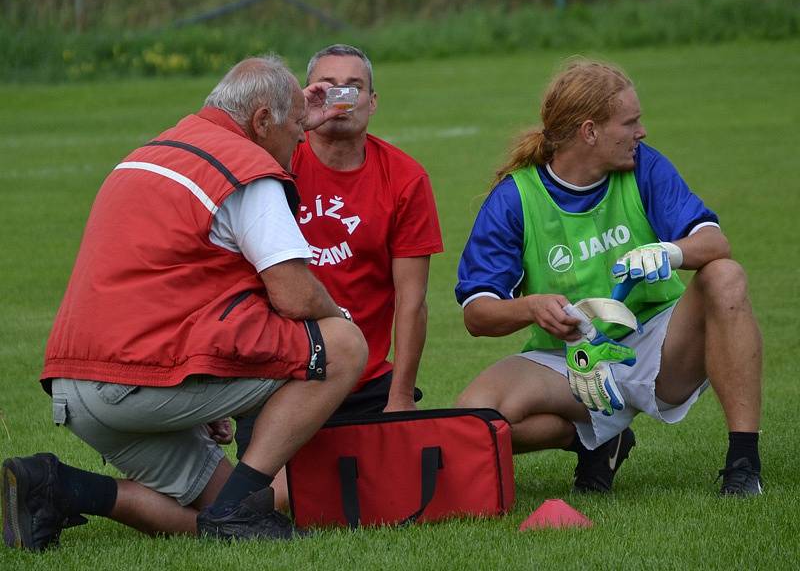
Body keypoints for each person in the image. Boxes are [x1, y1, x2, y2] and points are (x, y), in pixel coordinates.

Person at [1, 55, 369, 552]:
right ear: (262, 122)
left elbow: (167, 290)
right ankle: (239, 510)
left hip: (76, 387)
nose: (303, 139)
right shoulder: (247, 167)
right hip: (134, 380)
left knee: (224, 508)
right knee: (342, 344)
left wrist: (203, 389)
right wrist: (339, 318)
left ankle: (58, 486)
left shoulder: (154, 151)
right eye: (298, 127)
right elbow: (294, 294)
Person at [455, 59, 763, 496]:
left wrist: (669, 252)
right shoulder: (515, 198)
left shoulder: (644, 166)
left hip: (659, 347)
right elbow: (477, 313)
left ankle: (744, 462)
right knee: (472, 419)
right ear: (589, 131)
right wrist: (532, 307)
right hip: (571, 359)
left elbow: (715, 244)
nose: (642, 132)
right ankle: (597, 441)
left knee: (726, 277)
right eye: (631, 121)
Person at [234, 45, 443, 506]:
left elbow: (412, 302)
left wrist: (401, 398)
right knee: (275, 498)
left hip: (365, 383)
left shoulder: (405, 178)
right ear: (305, 98)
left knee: (398, 490)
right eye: (325, 88)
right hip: (279, 377)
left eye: (355, 87)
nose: (340, 98)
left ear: (373, 102)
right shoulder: (272, 166)